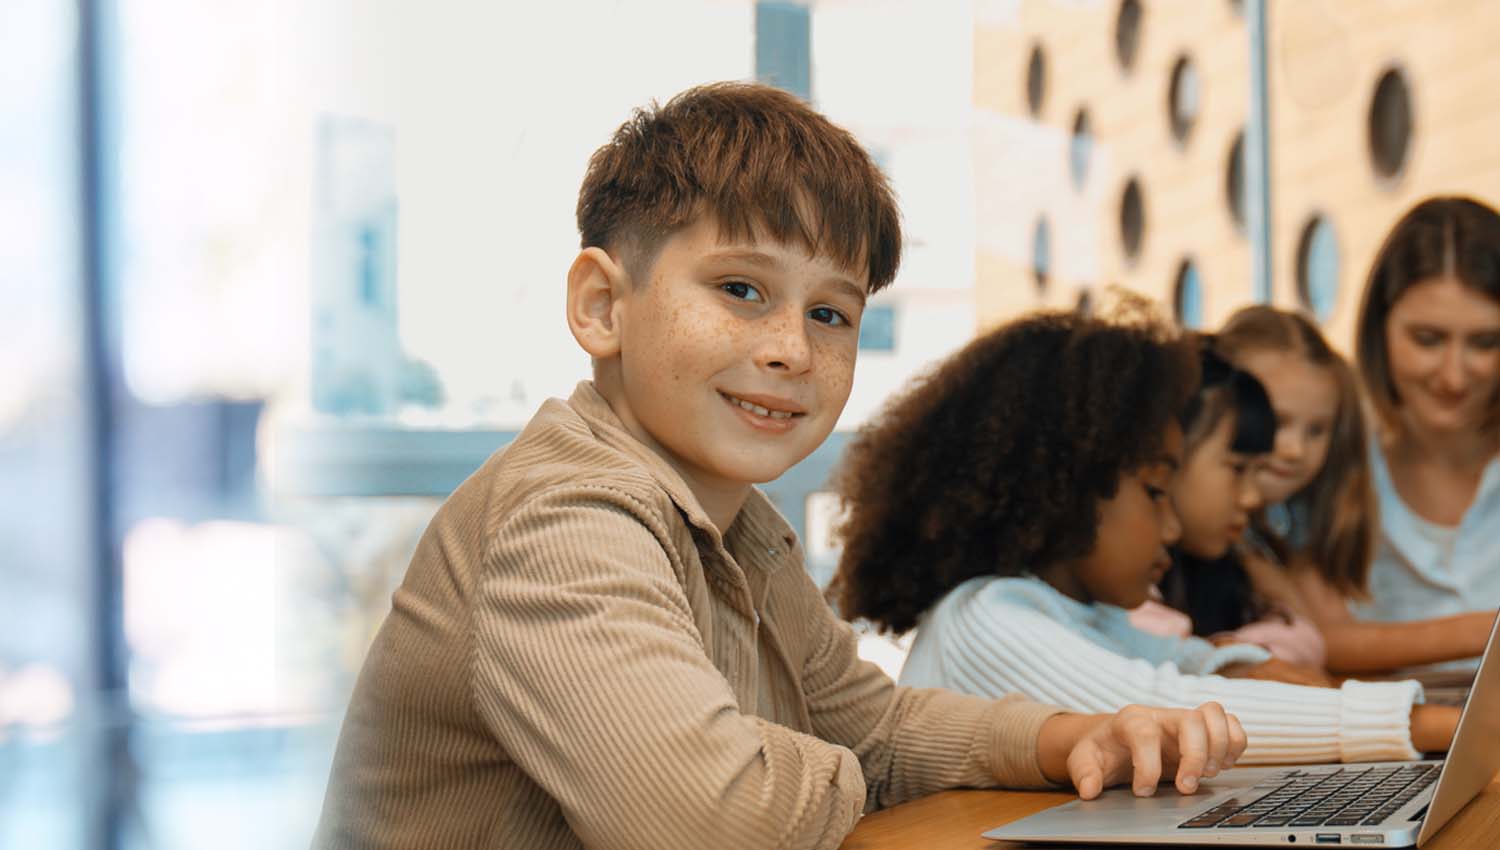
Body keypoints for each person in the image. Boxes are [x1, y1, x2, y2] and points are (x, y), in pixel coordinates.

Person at [312, 83, 1243, 850]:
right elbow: (707, 820)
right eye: (741, 289)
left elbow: (875, 727)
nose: (793, 349)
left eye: (831, 313)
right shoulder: (563, 514)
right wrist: (815, 765)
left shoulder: (740, 526)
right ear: (602, 306)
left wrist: (1066, 739)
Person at [829, 308, 1459, 765]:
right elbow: (1163, 707)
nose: (1174, 524)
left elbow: (1188, 661)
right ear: (1067, 486)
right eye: (1157, 492)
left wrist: (1248, 665)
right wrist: (1436, 725)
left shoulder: (1082, 613)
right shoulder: (986, 618)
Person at [1215, 304, 1496, 673]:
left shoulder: (1284, 528)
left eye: (1316, 430)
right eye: (1278, 422)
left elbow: (1330, 633)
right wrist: (1485, 630)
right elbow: (1327, 641)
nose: (1295, 449)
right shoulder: (1228, 542)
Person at [1352, 196, 1500, 641]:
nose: (1454, 377)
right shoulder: (1327, 460)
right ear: (1380, 330)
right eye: (1428, 339)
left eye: (1485, 343)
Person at [1154, 343, 1329, 675]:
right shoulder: (1127, 592)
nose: (1251, 497)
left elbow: (1307, 641)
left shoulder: (1229, 566)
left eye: (1256, 470)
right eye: (1237, 468)